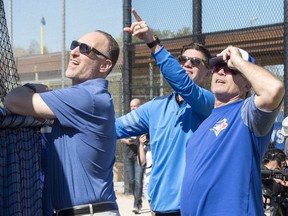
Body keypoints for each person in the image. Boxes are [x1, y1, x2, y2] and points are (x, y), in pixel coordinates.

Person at [4, 30, 120, 216]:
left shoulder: (88, 97)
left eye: (85, 49)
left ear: (105, 65)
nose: (74, 51)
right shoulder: (81, 99)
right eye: (75, 44)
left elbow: (12, 101)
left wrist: (32, 87)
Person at [116, 9, 214, 215]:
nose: (187, 63)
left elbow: (183, 84)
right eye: (183, 60)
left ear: (208, 73)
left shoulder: (209, 103)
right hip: (159, 207)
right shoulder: (156, 106)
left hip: (194, 208)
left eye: (196, 62)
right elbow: (114, 127)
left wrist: (152, 41)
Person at [180, 46, 285, 215]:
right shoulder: (204, 126)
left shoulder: (246, 113)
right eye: (217, 67)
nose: (221, 72)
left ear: (247, 85)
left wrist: (237, 61)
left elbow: (274, 89)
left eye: (231, 69)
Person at [120, 98, 145, 214]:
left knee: (138, 180)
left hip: (139, 154)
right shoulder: (127, 119)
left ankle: (137, 204)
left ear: (140, 106)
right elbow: (120, 135)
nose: (133, 108)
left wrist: (142, 141)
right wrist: (124, 140)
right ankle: (137, 199)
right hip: (128, 154)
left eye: (135, 106)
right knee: (131, 180)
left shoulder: (144, 119)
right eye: (131, 106)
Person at [138, 134, 155, 216]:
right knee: (152, 209)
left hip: (160, 180)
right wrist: (141, 144)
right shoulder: (146, 148)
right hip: (149, 181)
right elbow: (142, 162)